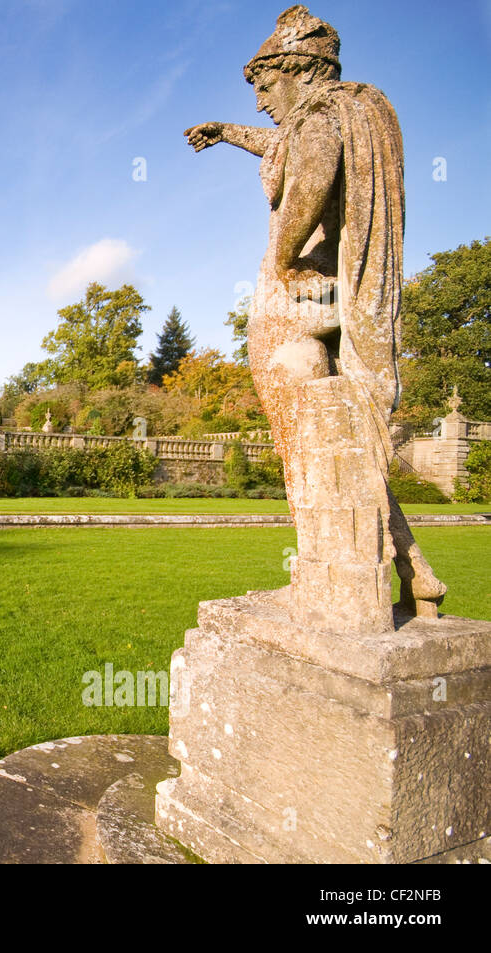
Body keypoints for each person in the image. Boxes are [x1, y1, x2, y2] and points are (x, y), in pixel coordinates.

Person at [184, 4, 444, 612]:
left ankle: (332, 573)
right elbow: (286, 147)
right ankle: (412, 568)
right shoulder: (364, 111)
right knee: (340, 432)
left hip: (300, 295)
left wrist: (282, 261)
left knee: (303, 433)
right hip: (340, 292)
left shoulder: (324, 114)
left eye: (262, 85)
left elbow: (309, 169)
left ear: (297, 69)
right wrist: (227, 133)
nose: (258, 101)